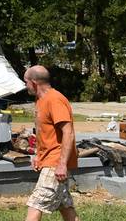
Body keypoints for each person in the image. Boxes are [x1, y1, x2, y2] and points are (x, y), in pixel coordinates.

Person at [24, 65, 79, 221]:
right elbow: (45, 133)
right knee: (65, 206)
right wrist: (37, 155)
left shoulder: (54, 100)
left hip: (55, 163)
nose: (25, 86)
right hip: (48, 160)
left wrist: (62, 164)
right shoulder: (40, 99)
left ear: (34, 82)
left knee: (36, 204)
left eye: (26, 82)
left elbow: (68, 132)